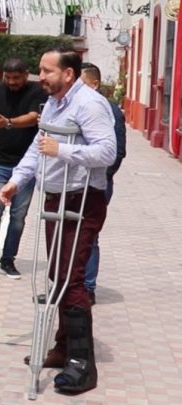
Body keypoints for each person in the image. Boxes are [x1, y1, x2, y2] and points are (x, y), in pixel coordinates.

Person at [0, 45, 116, 395]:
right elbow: (38, 148)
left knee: (72, 278)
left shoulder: (91, 104)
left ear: (68, 74)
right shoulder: (53, 103)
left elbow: (106, 151)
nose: (41, 77)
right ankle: (63, 348)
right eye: (41, 70)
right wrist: (17, 181)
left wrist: (62, 150)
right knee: (58, 275)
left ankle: (82, 364)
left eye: (47, 71)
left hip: (82, 199)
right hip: (56, 196)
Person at [0, 58, 48, 280]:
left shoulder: (37, 91)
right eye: (8, 78)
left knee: (18, 215)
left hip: (26, 164)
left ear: (26, 74)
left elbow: (34, 118)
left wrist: (8, 123)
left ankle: (8, 259)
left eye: (16, 78)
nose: (12, 82)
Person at [79, 62, 126, 304]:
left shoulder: (109, 109)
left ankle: (87, 288)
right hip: (73, 183)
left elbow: (117, 153)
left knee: (89, 235)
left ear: (95, 83)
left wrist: (102, 177)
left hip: (98, 183)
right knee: (69, 234)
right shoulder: (76, 105)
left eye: (82, 82)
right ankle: (70, 286)